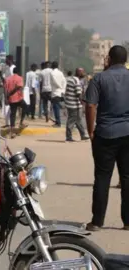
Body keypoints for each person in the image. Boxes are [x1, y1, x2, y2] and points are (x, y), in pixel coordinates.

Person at [84, 45, 129, 232]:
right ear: (125, 60)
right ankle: (127, 222)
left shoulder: (99, 78)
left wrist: (91, 131)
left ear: (109, 59)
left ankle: (97, 222)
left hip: (105, 133)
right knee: (127, 177)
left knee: (102, 178)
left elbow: (90, 106)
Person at [65, 70, 89, 142]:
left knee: (78, 120)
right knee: (71, 120)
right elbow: (78, 93)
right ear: (79, 73)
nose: (84, 73)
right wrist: (83, 103)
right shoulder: (76, 81)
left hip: (70, 103)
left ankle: (83, 135)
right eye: (83, 72)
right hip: (74, 105)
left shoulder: (71, 79)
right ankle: (68, 137)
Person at [4, 66, 26, 138]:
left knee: (13, 113)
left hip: (11, 99)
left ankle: (12, 131)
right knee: (25, 107)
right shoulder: (20, 78)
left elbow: (5, 89)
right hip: (18, 98)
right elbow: (19, 87)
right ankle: (21, 122)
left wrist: (6, 98)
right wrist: (11, 93)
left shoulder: (8, 79)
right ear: (19, 72)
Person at [49, 61, 66, 127]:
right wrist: (62, 90)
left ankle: (58, 123)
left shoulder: (52, 73)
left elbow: (54, 82)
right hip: (60, 92)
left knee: (56, 108)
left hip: (55, 92)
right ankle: (57, 121)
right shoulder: (61, 73)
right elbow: (64, 81)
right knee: (57, 107)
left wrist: (59, 86)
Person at [2, 55, 16, 127]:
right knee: (6, 107)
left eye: (6, 59)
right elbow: (5, 79)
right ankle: (7, 123)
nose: (5, 61)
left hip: (11, 91)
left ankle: (11, 124)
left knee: (11, 108)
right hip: (6, 89)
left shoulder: (13, 68)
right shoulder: (7, 68)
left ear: (10, 60)